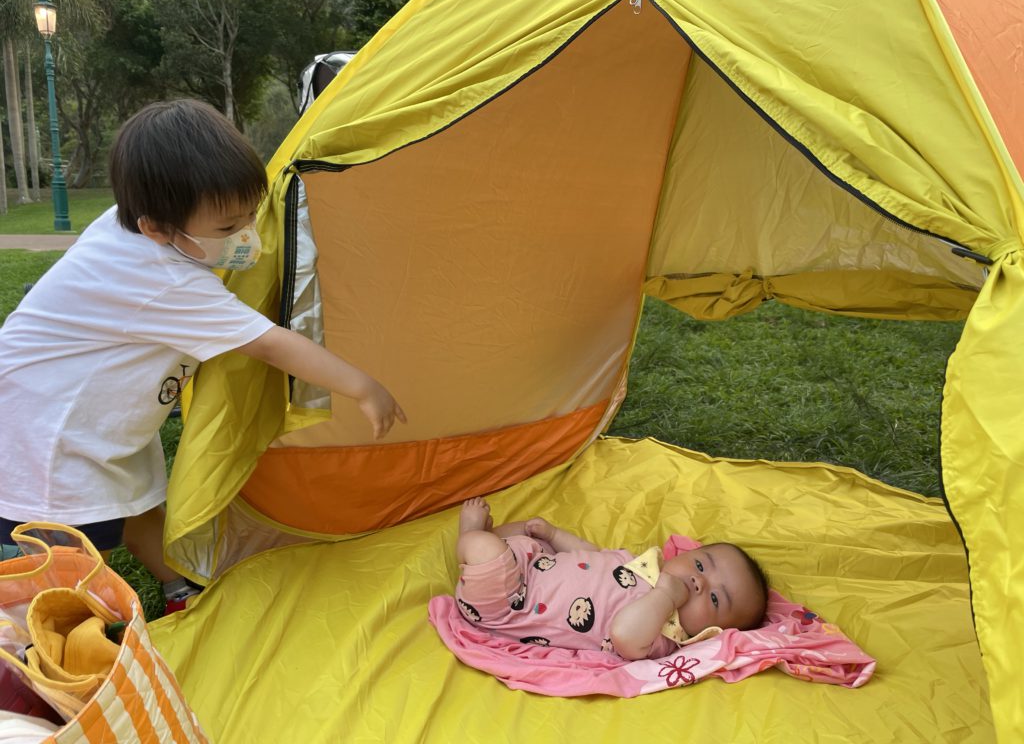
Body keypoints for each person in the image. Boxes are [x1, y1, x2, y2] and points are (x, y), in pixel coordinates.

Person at [0, 99, 406, 612]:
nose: (244, 236)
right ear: (157, 229)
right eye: (225, 228)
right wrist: (362, 387)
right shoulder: (163, 281)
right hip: (51, 440)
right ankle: (41, 646)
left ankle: (177, 585)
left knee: (139, 504)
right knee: (74, 555)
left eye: (248, 216)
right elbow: (270, 342)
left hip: (91, 420)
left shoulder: (133, 226)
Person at [453, 497, 768, 659]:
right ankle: (487, 547)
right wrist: (555, 534)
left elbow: (624, 635)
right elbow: (593, 554)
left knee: (484, 548)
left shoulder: (661, 635)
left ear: (709, 633)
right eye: (701, 564)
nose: (700, 582)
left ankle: (470, 537)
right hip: (535, 566)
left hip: (504, 607)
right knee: (527, 531)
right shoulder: (639, 565)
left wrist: (666, 597)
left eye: (714, 598)